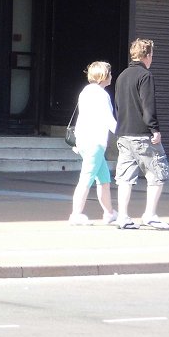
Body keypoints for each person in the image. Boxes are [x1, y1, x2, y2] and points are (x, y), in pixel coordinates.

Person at [114, 38, 169, 229]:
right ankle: (150, 214)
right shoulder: (145, 76)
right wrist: (154, 129)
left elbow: (118, 106)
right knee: (157, 174)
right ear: (147, 55)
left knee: (124, 178)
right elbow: (148, 106)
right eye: (152, 54)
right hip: (142, 133)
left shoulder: (122, 76)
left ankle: (122, 216)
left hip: (123, 133)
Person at [68, 61, 117, 226]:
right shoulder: (102, 95)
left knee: (104, 179)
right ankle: (76, 214)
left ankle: (109, 212)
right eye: (109, 73)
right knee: (86, 179)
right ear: (104, 76)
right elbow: (109, 119)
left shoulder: (85, 92)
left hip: (83, 141)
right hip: (95, 142)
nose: (111, 76)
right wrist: (123, 133)